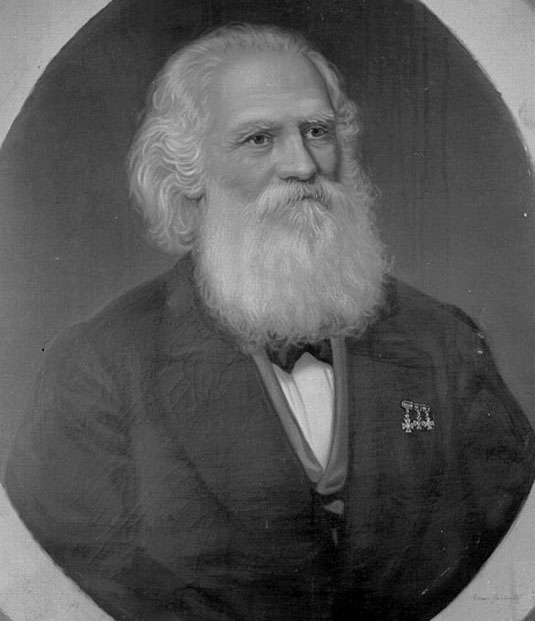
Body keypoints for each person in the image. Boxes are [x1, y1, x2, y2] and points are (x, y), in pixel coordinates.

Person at [4, 23, 535, 621]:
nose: (303, 165)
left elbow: (517, 562)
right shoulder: (98, 367)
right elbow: (53, 594)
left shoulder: (444, 343)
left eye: (317, 131)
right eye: (259, 138)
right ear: (187, 170)